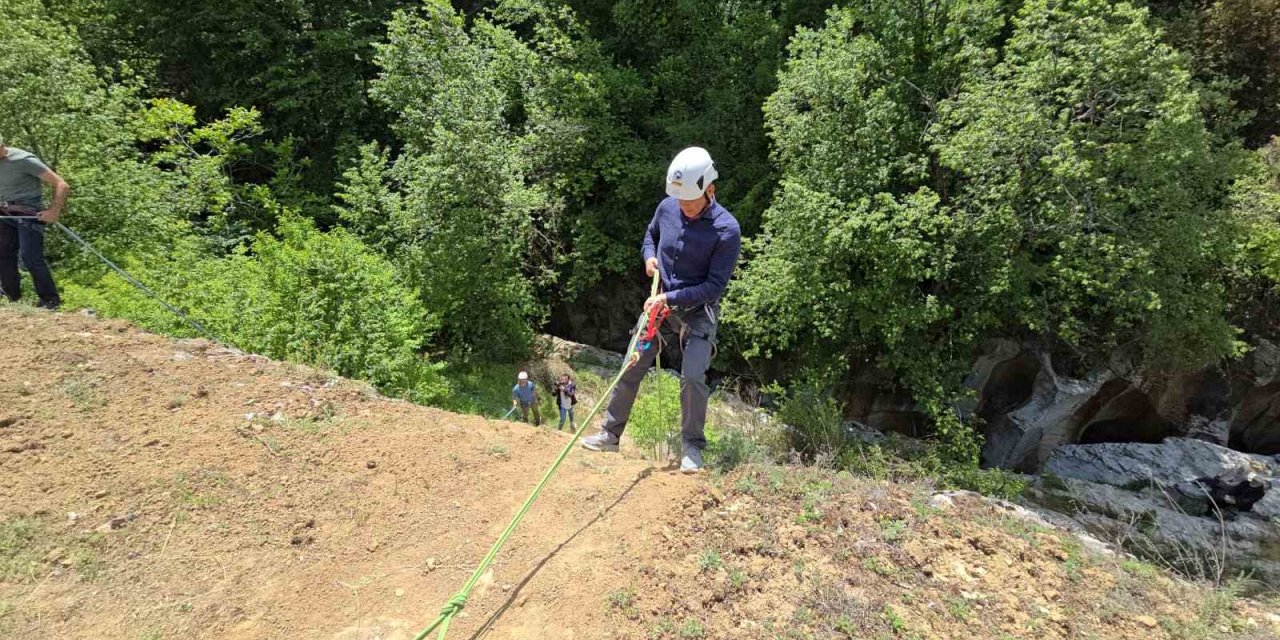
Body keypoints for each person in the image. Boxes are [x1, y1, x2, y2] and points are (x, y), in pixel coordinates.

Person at [581, 147, 741, 472]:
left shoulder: (726, 230)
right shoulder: (668, 207)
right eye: (680, 200)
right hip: (660, 306)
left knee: (693, 376)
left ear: (710, 190)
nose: (684, 207)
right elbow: (650, 235)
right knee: (631, 365)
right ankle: (610, 435)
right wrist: (649, 256)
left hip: (696, 311)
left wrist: (667, 299)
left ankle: (692, 449)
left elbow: (714, 287)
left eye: (691, 201)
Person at [0, 137, 70, 310]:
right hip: (4, 212)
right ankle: (11, 299)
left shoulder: (23, 159)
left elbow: (62, 184)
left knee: (30, 256)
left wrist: (54, 211)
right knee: (3, 254)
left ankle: (50, 300)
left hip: (28, 212)